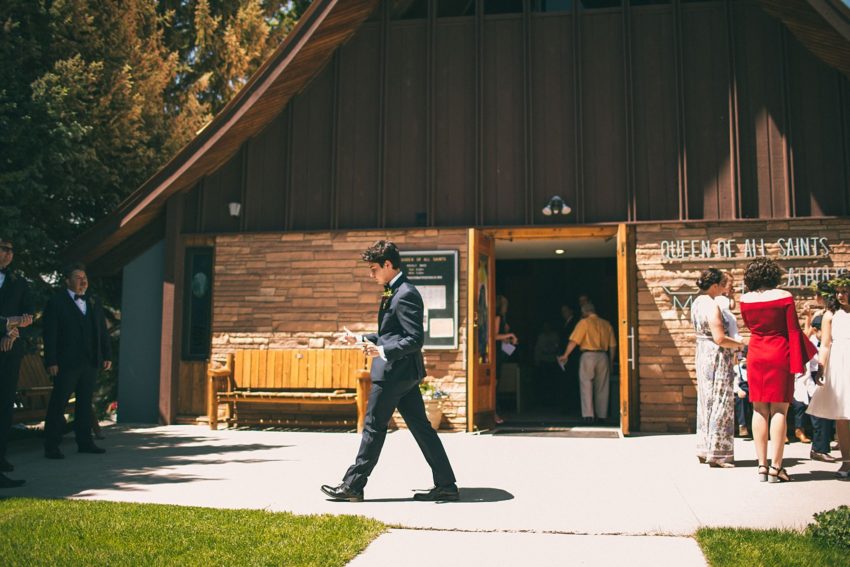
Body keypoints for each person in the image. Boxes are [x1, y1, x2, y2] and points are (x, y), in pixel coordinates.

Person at [321, 241, 458, 502]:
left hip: (394, 374)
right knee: (421, 429)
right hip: (403, 374)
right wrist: (362, 339)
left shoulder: (405, 293)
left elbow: (415, 339)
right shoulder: (392, 291)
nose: (370, 274)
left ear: (387, 264)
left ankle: (353, 485)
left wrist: (382, 352)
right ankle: (447, 485)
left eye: (373, 269)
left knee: (373, 426)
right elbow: (390, 334)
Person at [740, 258, 816, 482]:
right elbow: (793, 330)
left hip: (756, 352)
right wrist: (799, 363)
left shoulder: (745, 298)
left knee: (758, 409)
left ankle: (761, 467)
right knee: (780, 411)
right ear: (773, 275)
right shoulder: (784, 296)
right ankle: (776, 467)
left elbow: (750, 326)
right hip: (779, 352)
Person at [43, 263, 112, 459]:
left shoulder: (92, 301)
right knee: (59, 403)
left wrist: (106, 355)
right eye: (78, 277)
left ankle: (85, 442)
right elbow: (50, 334)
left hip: (90, 361)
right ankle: (51, 446)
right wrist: (51, 361)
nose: (83, 281)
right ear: (67, 281)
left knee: (84, 403)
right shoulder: (56, 302)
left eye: (85, 277)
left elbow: (101, 330)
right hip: (66, 362)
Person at [690, 268, 745, 467]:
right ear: (714, 286)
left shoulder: (696, 302)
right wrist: (741, 344)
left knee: (706, 402)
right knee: (721, 402)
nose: (724, 289)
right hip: (716, 357)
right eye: (722, 285)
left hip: (702, 354)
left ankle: (704, 448)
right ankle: (718, 454)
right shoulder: (711, 305)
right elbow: (720, 338)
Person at [807, 275, 850, 480]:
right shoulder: (830, 315)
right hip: (840, 365)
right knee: (842, 415)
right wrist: (820, 369)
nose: (841, 295)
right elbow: (824, 344)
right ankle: (847, 460)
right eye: (838, 291)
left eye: (845, 291)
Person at [0, 236, 34, 488]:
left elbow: (28, 316)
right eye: (3, 249)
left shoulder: (18, 281)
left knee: (3, 407)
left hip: (10, 353)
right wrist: (7, 326)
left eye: (11, 250)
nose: (8, 254)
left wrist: (12, 331)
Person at [557, 302, 616, 424]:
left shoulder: (584, 323)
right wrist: (610, 362)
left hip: (588, 355)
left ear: (585, 312)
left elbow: (574, 341)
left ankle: (588, 415)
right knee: (602, 386)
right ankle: (602, 415)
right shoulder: (606, 324)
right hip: (603, 356)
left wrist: (565, 355)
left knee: (586, 384)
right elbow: (613, 346)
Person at [493, 295, 518, 424]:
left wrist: (507, 337)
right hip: (496, 353)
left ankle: (495, 412)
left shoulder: (503, 318)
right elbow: (494, 335)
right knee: (494, 384)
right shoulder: (497, 317)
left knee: (497, 382)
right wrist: (509, 335)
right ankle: (493, 413)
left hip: (501, 351)